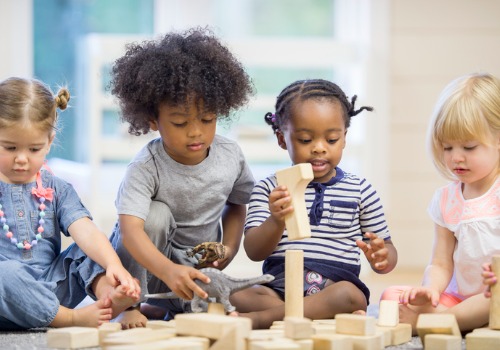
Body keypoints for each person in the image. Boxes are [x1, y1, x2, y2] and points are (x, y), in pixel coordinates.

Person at [108, 27, 255, 328]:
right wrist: (167, 272)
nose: (196, 132)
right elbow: (131, 231)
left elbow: (238, 204)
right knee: (156, 216)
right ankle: (131, 303)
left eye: (207, 119)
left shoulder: (230, 156)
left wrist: (229, 247)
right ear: (152, 120)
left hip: (195, 270)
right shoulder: (145, 167)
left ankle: (170, 307)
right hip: (151, 268)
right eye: (179, 122)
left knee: (252, 299)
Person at [229, 78, 398, 329]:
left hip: (333, 289)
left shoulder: (360, 190)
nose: (319, 148)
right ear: (282, 139)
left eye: (331, 140)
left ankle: (262, 319)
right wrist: (276, 219)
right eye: (306, 140)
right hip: (279, 288)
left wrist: (382, 257)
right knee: (234, 292)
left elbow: (388, 250)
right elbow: (255, 251)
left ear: (344, 138)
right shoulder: (268, 189)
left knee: (351, 296)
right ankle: (306, 315)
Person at [0, 77, 141, 330]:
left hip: (54, 289)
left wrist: (114, 265)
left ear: (49, 142)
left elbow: (84, 230)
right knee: (5, 273)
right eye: (10, 147)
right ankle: (72, 319)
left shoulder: (57, 188)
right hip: (5, 296)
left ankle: (111, 298)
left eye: (34, 149)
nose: (21, 159)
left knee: (89, 249)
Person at [380, 73, 500, 334]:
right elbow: (441, 263)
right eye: (447, 148)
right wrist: (430, 290)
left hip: (496, 294)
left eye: (469, 147)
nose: (457, 158)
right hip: (461, 298)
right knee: (392, 297)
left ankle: (441, 322)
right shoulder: (447, 199)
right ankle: (449, 319)